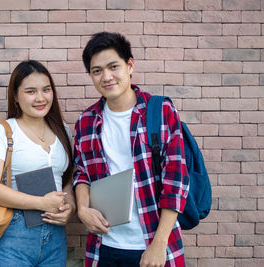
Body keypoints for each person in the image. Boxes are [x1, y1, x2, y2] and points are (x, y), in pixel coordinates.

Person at [73, 32, 190, 267]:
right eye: (97, 71)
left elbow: (175, 181)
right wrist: (83, 209)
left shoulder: (160, 111)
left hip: (151, 244)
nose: (106, 77)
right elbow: (81, 173)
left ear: (129, 66)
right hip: (103, 246)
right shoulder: (86, 121)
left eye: (113, 66)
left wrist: (159, 245)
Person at [0, 60, 75, 267]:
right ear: (15, 96)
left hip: (56, 236)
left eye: (46, 90)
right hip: (15, 234)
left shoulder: (63, 131)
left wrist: (71, 208)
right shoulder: (3, 131)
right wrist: (41, 203)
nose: (41, 98)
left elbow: (67, 179)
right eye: (31, 91)